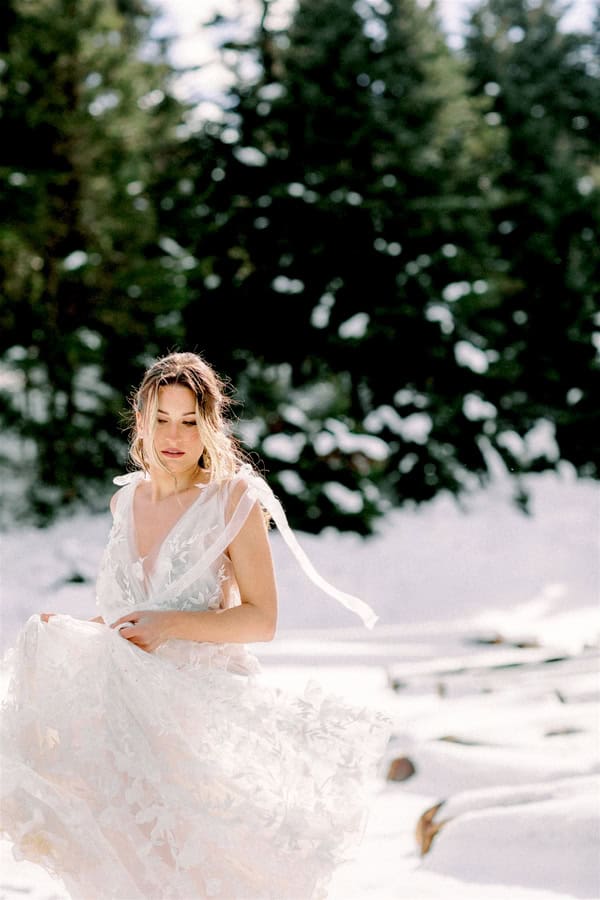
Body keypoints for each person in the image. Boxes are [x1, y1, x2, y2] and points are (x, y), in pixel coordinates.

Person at [0, 351, 391, 900]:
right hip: (123, 727)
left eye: (189, 421)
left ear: (211, 424)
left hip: (196, 725)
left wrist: (171, 626)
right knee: (132, 877)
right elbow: (129, 615)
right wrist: (72, 628)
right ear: (140, 420)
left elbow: (262, 619)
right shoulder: (125, 500)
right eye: (161, 418)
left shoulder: (233, 500)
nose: (174, 436)